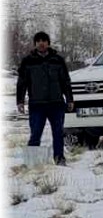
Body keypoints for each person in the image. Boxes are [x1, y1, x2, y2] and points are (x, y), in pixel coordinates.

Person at [16, 31, 74, 165]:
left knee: (58, 133)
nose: (41, 43)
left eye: (44, 41)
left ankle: (59, 159)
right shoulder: (28, 61)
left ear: (48, 43)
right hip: (37, 105)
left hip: (56, 104)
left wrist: (70, 99)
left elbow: (65, 81)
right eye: (38, 41)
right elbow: (22, 82)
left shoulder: (58, 60)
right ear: (35, 44)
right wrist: (20, 101)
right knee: (35, 134)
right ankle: (32, 162)